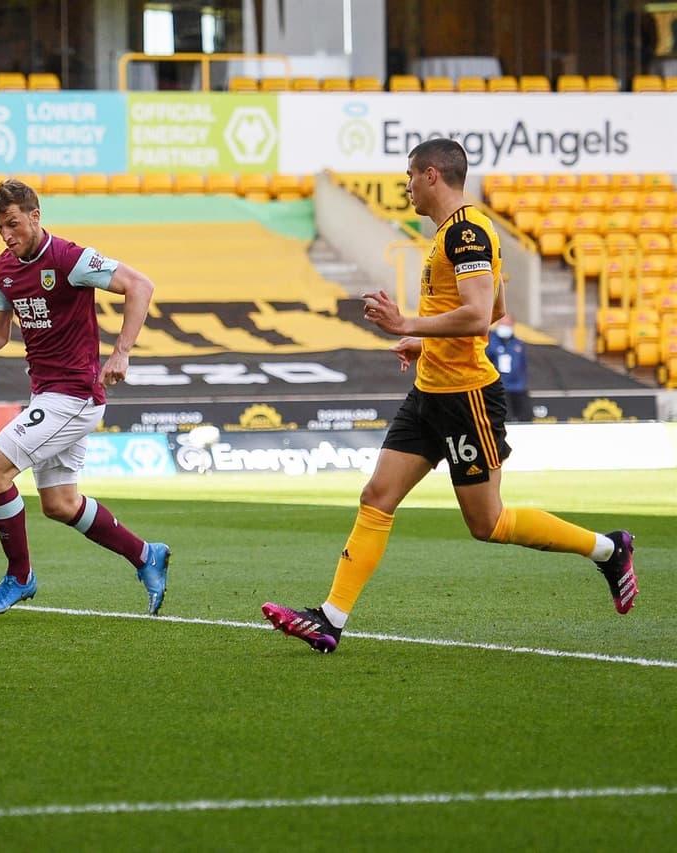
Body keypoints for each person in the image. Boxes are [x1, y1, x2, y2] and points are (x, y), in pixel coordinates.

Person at [261, 138, 637, 653]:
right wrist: (423, 340)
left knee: (489, 522)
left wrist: (405, 322)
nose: (407, 186)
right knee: (377, 497)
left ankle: (609, 549)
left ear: (433, 175)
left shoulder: (464, 234)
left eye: (410, 175)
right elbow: (497, 307)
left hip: (466, 398)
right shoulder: (452, 234)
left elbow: (481, 315)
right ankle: (331, 618)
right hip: (429, 392)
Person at [0, 179, 171, 616]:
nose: (7, 235)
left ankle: (19, 577)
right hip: (48, 393)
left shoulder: (70, 259)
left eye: (13, 223)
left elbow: (141, 285)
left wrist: (121, 353)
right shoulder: (2, 270)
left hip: (75, 394)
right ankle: (146, 555)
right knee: (60, 504)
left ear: (35, 216)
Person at [486, 312, 533, 422]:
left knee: (526, 416)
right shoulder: (491, 341)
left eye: (508, 325)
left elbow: (522, 365)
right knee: (504, 417)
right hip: (500, 387)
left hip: (518, 387)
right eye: (503, 324)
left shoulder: (518, 343)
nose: (505, 328)